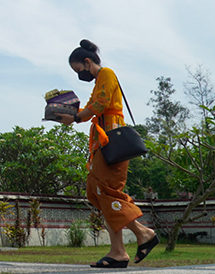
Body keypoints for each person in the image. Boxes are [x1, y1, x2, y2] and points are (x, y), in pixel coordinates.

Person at [58, 39, 159, 268]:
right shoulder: (98, 80)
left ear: (87, 61)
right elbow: (92, 107)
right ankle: (118, 251)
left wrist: (75, 118)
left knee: (107, 191)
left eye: (78, 70)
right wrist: (67, 112)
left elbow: (100, 104)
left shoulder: (107, 73)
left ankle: (143, 234)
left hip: (112, 142)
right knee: (97, 193)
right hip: (101, 143)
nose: (79, 74)